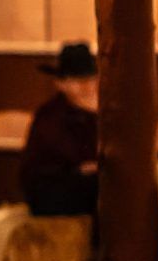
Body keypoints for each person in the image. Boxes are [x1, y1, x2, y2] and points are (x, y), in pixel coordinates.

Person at [21, 43, 99, 219]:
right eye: (79, 81)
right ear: (61, 84)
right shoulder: (51, 115)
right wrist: (80, 170)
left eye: (91, 79)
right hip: (51, 191)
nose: (87, 87)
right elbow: (44, 169)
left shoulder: (97, 112)